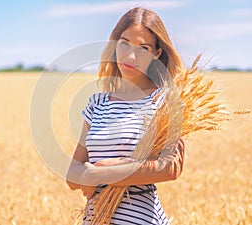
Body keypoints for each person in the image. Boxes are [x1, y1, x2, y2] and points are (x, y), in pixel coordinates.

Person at [66, 7, 185, 225]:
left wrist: (103, 171)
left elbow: (170, 168)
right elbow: (72, 172)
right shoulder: (97, 103)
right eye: (124, 43)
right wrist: (88, 175)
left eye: (143, 48)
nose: (130, 56)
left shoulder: (164, 102)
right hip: (95, 219)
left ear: (157, 53)